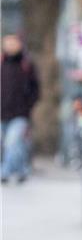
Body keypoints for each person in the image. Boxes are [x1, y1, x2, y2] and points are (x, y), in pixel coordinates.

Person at [1, 34, 39, 184]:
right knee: (15, 144)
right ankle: (22, 170)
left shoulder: (26, 64)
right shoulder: (1, 63)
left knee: (12, 142)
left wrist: (27, 106)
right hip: (2, 112)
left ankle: (4, 172)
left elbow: (36, 89)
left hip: (20, 113)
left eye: (13, 43)